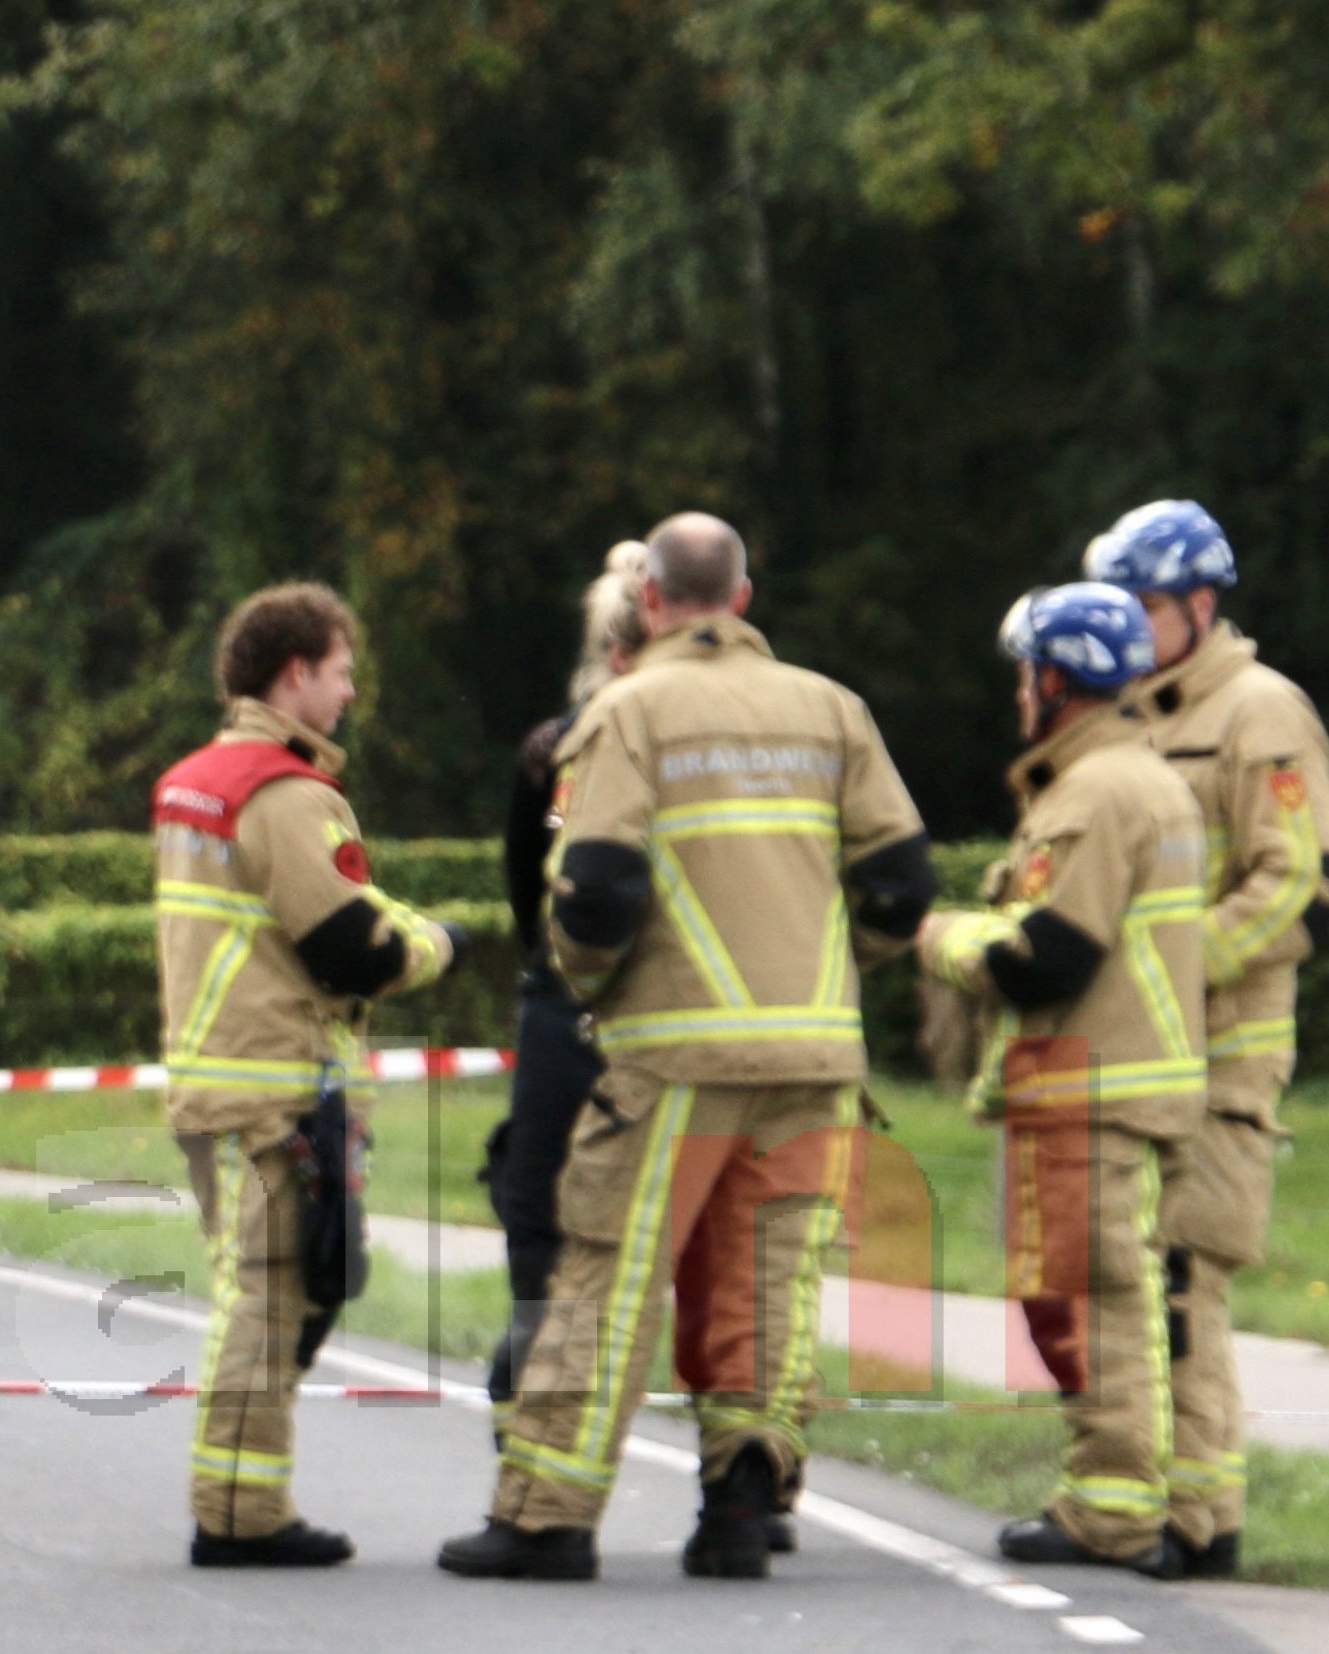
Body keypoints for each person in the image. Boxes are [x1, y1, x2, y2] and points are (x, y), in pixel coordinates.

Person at [446, 512, 932, 1582]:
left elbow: (599, 889)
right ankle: (742, 1513)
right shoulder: (832, 710)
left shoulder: (628, 711)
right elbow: (903, 886)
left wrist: (583, 987)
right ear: (744, 599)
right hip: (813, 1059)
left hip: (673, 1057)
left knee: (609, 1277)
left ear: (651, 602)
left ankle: (547, 1520)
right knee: (766, 1281)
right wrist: (833, 969)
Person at [155, 581, 462, 1568]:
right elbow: (351, 949)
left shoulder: (195, 781)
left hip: (218, 1076)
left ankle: (241, 1499)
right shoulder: (285, 794)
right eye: (340, 672)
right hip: (277, 1085)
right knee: (275, 1294)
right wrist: (434, 944)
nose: (350, 692)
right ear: (295, 675)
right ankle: (239, 1513)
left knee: (269, 1289)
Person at [920, 579, 1214, 1573]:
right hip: (1120, 1080)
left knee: (1089, 1296)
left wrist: (944, 938)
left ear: (1057, 678)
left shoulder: (1092, 794)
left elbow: (1049, 957)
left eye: (1023, 673)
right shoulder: (1144, 776)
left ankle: (1110, 1509)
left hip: (1093, 1084)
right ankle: (1117, 1497)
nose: (1016, 694)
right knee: (1099, 1293)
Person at [1102, 500, 1329, 1580]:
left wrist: (1167, 961)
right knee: (1125, 1284)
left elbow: (1298, 888)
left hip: (1220, 1053)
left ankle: (1204, 1523)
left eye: (1145, 605)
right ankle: (1134, 1502)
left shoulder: (1260, 714)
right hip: (1134, 1052)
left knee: (1186, 1285)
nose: (1129, 624)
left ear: (1201, 604)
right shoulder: (1130, 716)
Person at [478, 543, 653, 1402]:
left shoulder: (553, 749)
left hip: (565, 1006)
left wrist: (560, 969)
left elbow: (524, 895)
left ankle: (536, 1411)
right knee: (718, 1238)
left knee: (543, 1213)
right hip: (683, 1007)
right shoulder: (707, 746)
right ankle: (748, 1479)